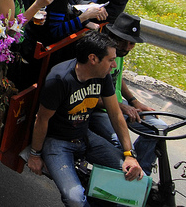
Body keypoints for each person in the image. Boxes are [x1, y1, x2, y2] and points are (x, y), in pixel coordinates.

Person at [27, 31, 144, 207]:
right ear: (93, 59)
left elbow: (115, 114)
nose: (114, 65)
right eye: (110, 60)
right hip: (58, 142)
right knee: (74, 199)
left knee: (127, 175)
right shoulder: (59, 80)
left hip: (85, 136)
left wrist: (129, 155)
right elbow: (41, 120)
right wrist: (35, 154)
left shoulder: (103, 76)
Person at [89, 13, 166, 175]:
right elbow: (90, 97)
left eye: (133, 44)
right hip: (101, 111)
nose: (129, 47)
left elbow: (118, 77)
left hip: (119, 106)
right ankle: (127, 174)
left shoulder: (119, 54)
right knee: (120, 144)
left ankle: (141, 175)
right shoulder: (101, 56)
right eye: (127, 42)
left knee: (159, 128)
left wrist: (133, 101)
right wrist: (122, 107)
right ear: (115, 37)